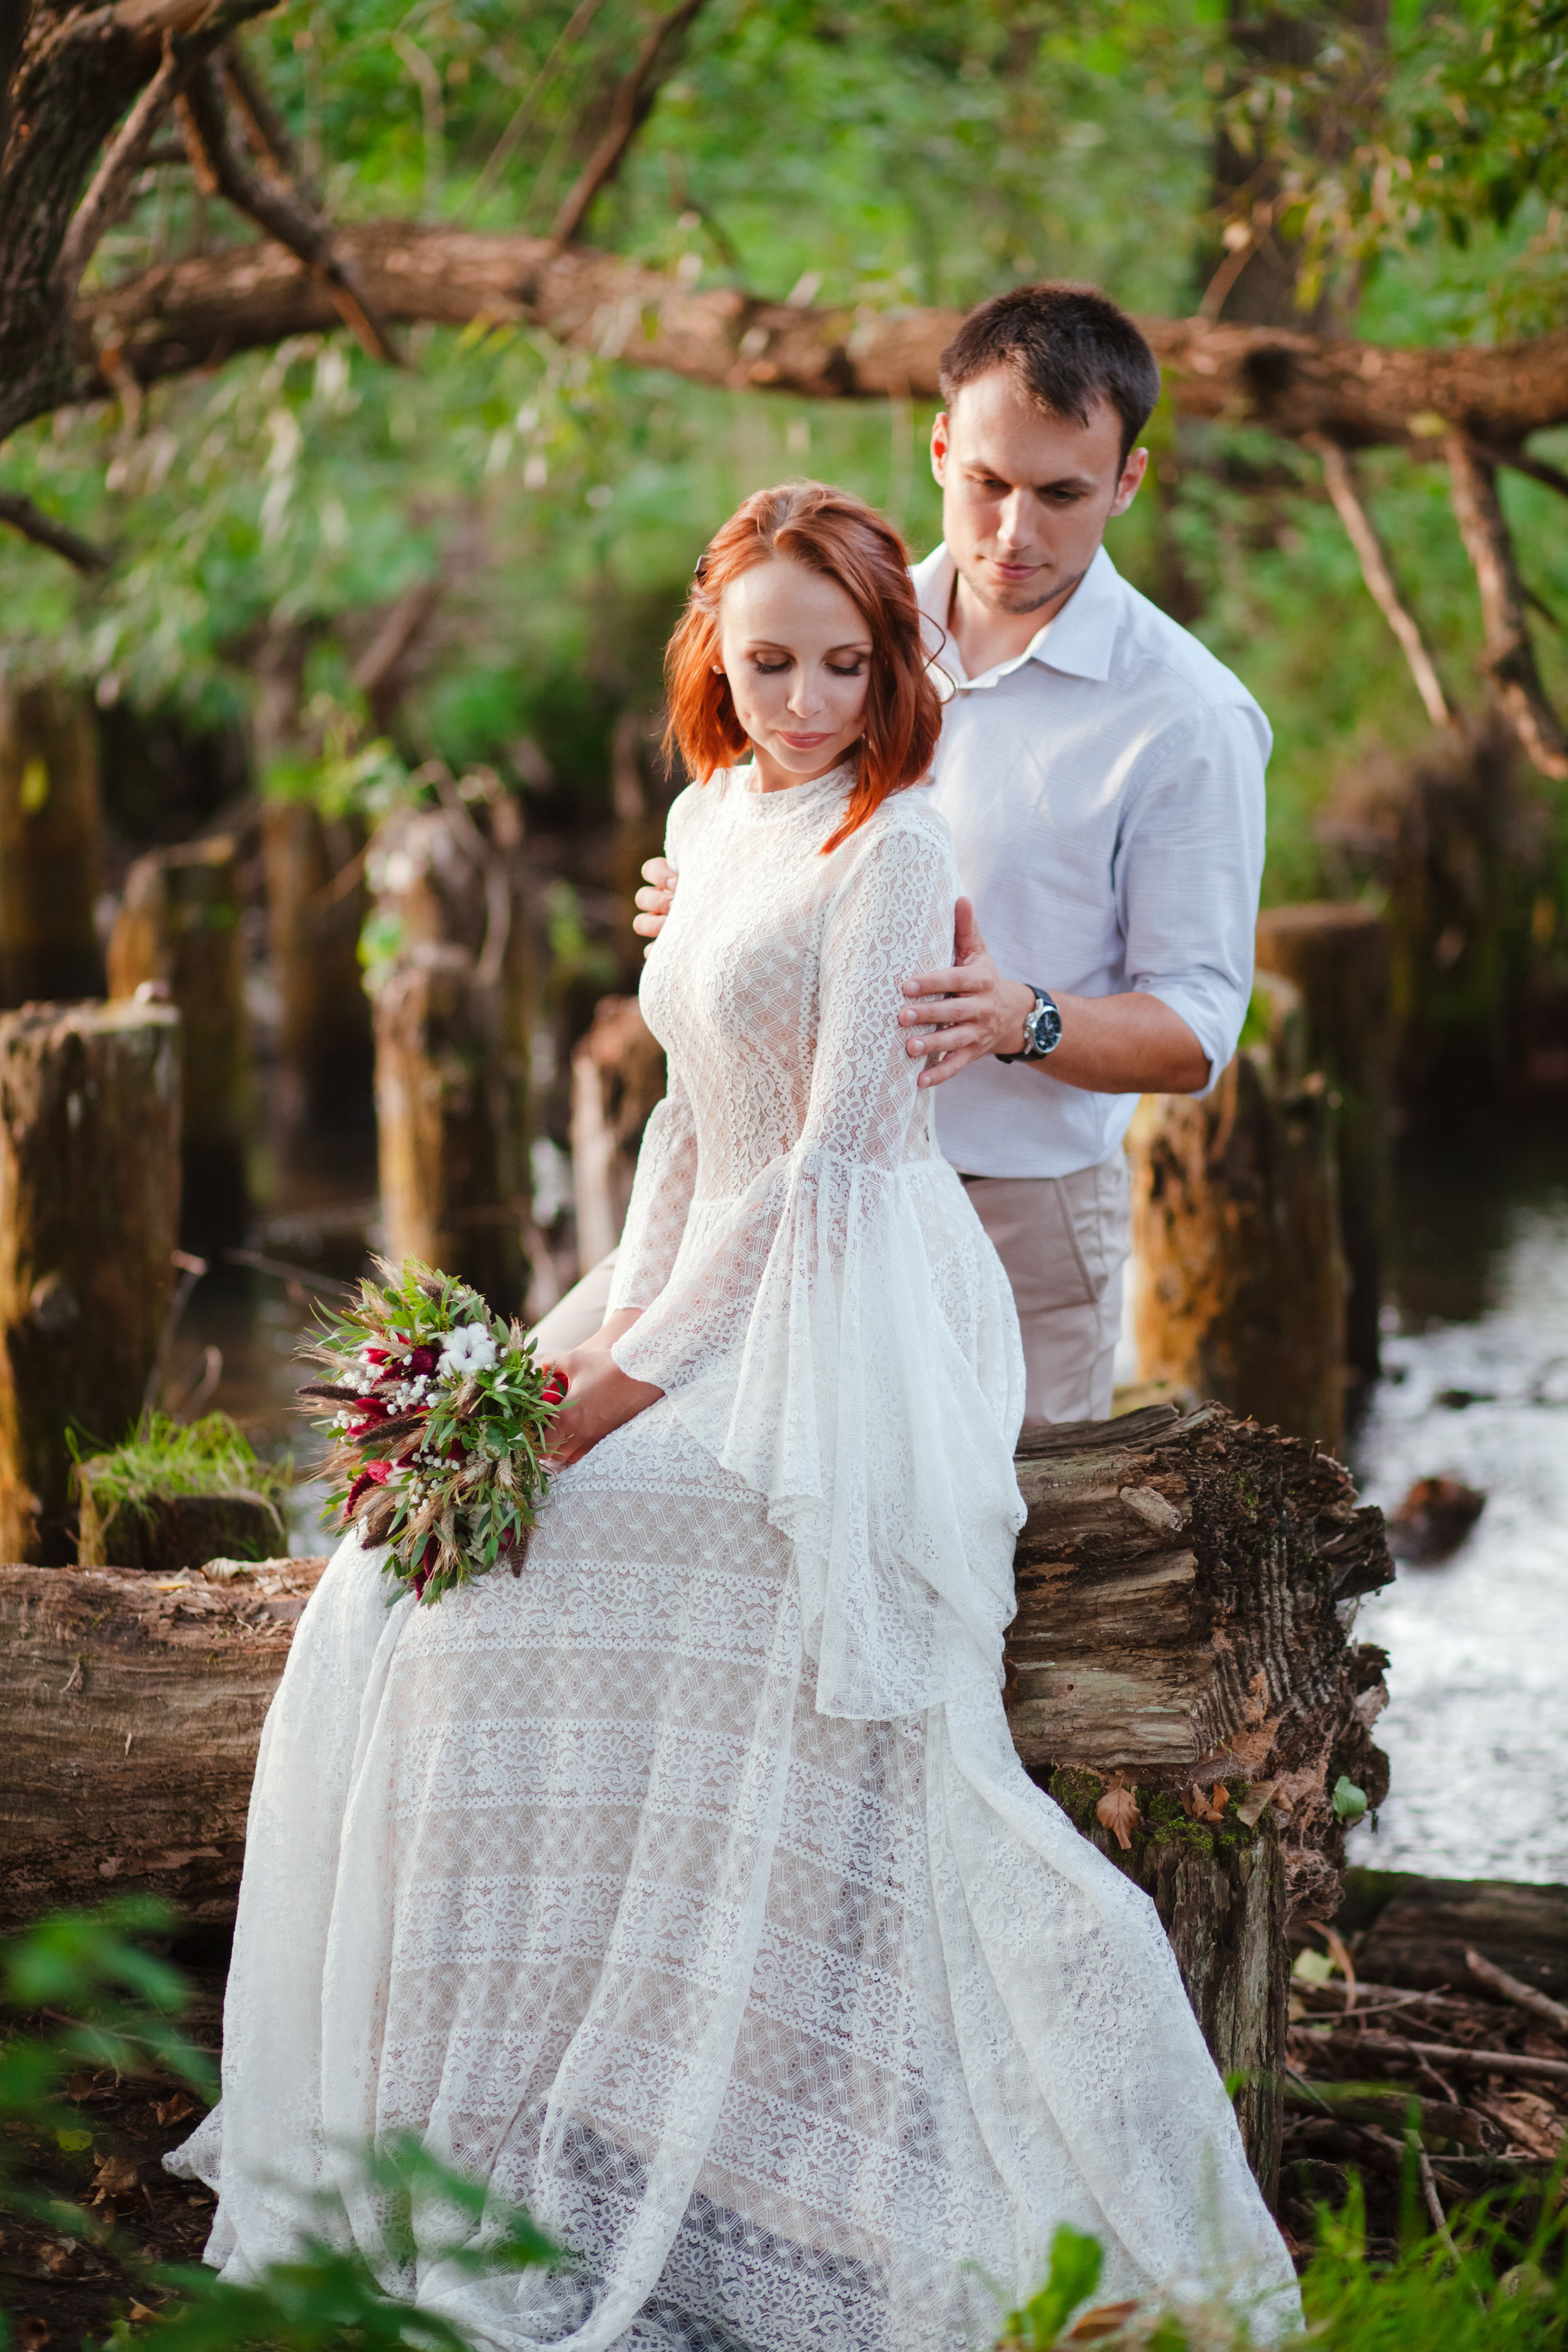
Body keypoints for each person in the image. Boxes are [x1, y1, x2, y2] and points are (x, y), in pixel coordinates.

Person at [170, 484, 1298, 2351]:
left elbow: (831, 1165)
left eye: (846, 666)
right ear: (712, 654)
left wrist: (613, 1394)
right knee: (398, 1573)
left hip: (854, 1305)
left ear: (888, 668)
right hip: (708, 1260)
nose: (805, 700)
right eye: (769, 661)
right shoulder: (711, 817)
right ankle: (491, 2107)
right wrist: (561, 1352)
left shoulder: (895, 840)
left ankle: (747, 2128)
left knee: (565, 1570)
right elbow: (696, 1142)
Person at [617, 283, 1268, 1426]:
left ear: (1127, 481)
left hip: (1012, 1220)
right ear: (938, 451)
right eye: (989, 484)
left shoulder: (1188, 720)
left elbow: (1197, 1030)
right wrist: (718, 900)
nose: (1016, 533)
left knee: (1002, 1582)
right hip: (766, 1205)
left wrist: (1026, 1019)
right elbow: (766, 823)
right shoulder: (841, 631)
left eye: (1063, 493)